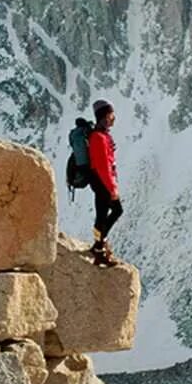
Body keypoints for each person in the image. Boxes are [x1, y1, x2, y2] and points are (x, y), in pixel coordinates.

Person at [88, 99, 123, 266]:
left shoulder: (100, 135)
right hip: (102, 181)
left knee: (101, 214)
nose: (113, 118)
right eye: (110, 115)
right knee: (115, 210)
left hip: (99, 181)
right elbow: (103, 167)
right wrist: (112, 188)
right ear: (103, 117)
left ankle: (98, 244)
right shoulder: (99, 138)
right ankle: (99, 248)